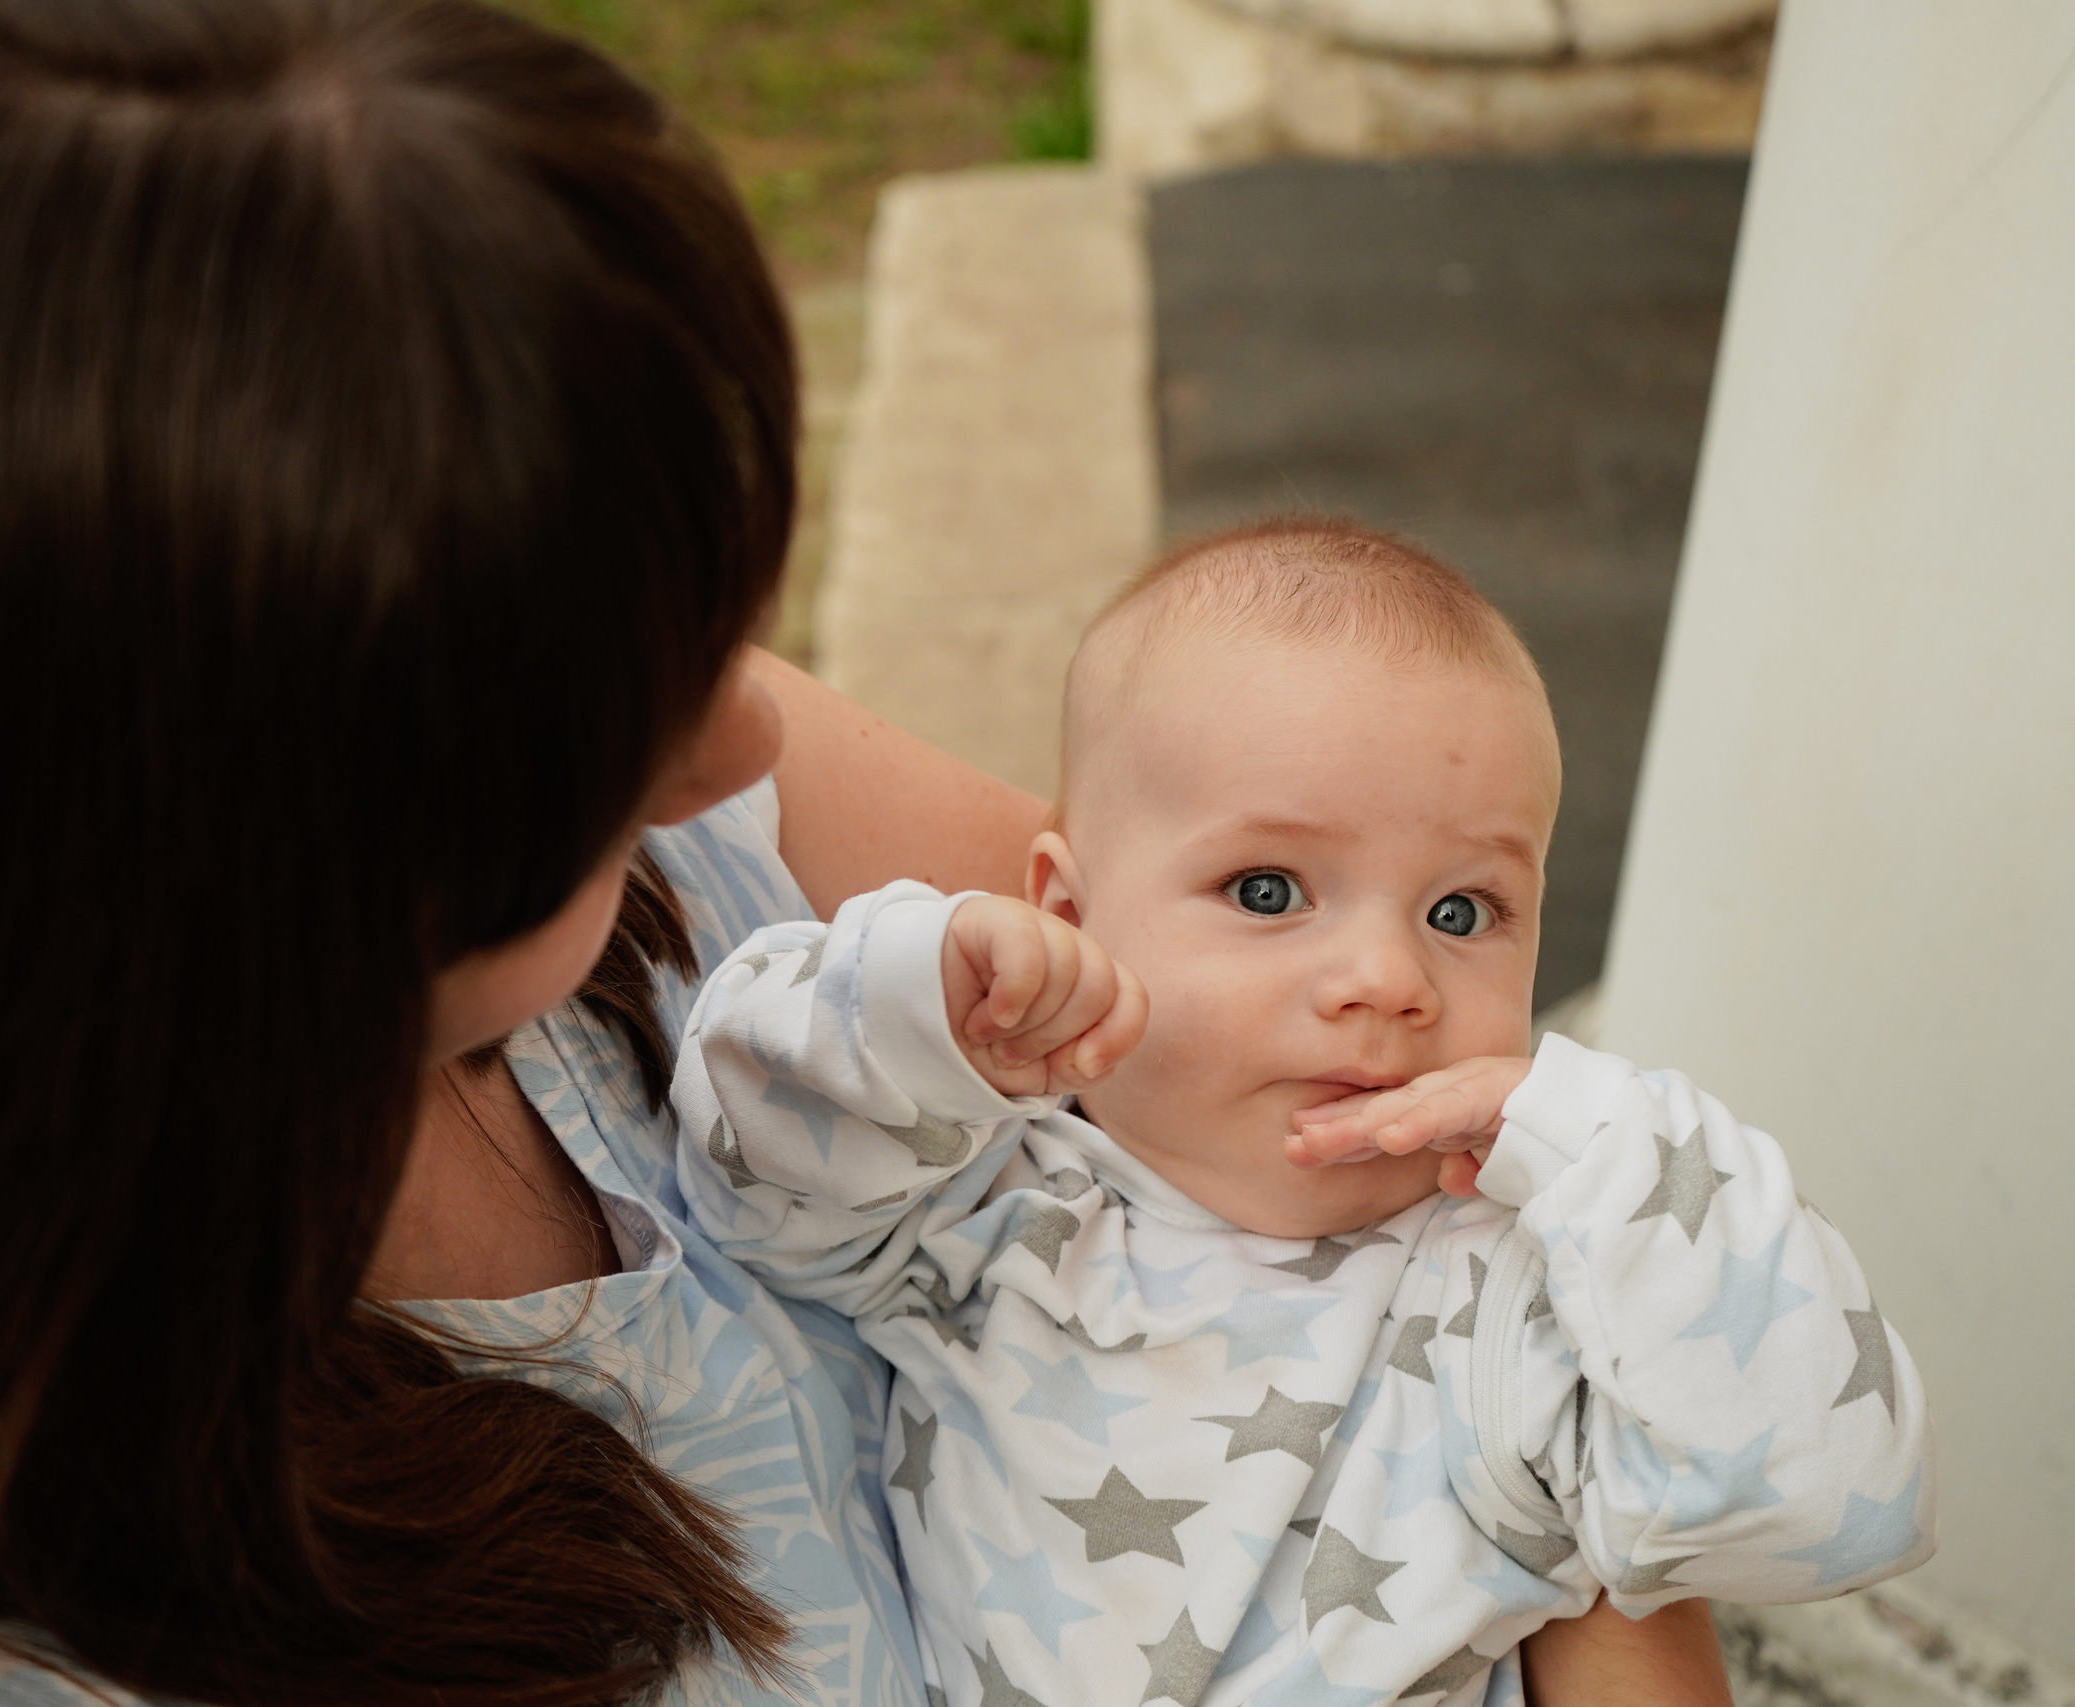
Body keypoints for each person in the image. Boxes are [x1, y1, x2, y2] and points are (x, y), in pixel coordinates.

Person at [0, 0, 1740, 1701]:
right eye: (598, 709)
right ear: (171, 923)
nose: (738, 736)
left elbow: (1420, 1203)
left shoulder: (652, 830)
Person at [674, 521, 1933, 1705]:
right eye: (1269, 889)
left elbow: (1832, 1506)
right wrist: (923, 1002)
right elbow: (749, 1165)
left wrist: (1614, 1150)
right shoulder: (990, 1202)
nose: (1387, 981)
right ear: (1067, 915)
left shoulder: (1518, 1290)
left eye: (1460, 913)